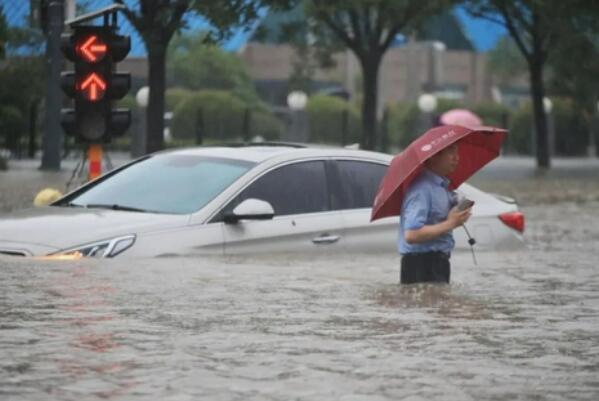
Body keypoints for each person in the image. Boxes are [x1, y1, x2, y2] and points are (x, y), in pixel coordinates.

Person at [398, 143, 472, 284]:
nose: (456, 158)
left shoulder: (443, 187)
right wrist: (450, 223)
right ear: (433, 156)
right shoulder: (421, 189)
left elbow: (439, 220)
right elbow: (411, 234)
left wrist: (456, 213)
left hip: (439, 262)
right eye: (450, 152)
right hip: (421, 264)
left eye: (457, 152)